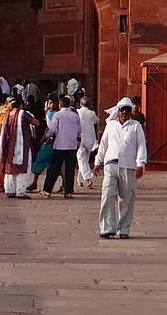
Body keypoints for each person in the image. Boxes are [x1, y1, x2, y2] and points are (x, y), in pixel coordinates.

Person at [94, 97, 148, 238]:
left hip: (128, 166)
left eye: (127, 109)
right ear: (118, 111)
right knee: (107, 195)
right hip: (111, 164)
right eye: (122, 109)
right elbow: (103, 144)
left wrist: (140, 164)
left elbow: (141, 145)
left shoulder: (136, 126)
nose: (124, 112)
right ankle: (107, 228)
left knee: (126, 198)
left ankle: (123, 229)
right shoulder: (110, 125)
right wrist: (97, 162)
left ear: (130, 111)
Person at [0, 95, 40, 198]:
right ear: (20, 104)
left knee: (10, 167)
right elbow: (36, 123)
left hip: (10, 145)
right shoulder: (23, 114)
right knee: (23, 167)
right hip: (22, 145)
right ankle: (20, 192)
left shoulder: (7, 114)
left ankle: (10, 190)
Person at [42, 91, 81, 198]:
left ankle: (47, 190)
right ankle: (68, 191)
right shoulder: (75, 115)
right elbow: (79, 130)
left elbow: (53, 129)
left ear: (60, 104)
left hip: (59, 145)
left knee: (54, 169)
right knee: (69, 170)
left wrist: (47, 136)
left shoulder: (58, 115)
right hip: (72, 146)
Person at [74, 93, 99, 190]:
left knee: (81, 159)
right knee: (84, 160)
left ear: (80, 104)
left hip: (80, 139)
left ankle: (88, 178)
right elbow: (97, 121)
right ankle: (79, 180)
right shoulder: (91, 113)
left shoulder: (77, 112)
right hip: (90, 140)